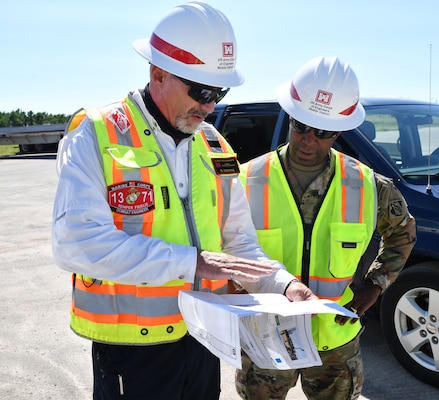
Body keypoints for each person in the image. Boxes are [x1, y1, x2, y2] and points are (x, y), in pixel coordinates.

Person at [51, 3, 315, 399]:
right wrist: (192, 261)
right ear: (158, 73)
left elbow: (238, 243)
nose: (210, 106)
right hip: (132, 350)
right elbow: (76, 243)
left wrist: (283, 284)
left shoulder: (214, 145)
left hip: (204, 338)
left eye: (219, 93)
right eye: (203, 92)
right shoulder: (96, 133)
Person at [234, 56, 417, 400]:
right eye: (301, 125)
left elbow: (403, 233)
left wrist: (376, 286)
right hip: (266, 336)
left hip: (335, 340)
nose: (308, 140)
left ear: (340, 131)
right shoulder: (245, 180)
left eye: (323, 132)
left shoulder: (367, 186)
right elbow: (219, 246)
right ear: (290, 117)